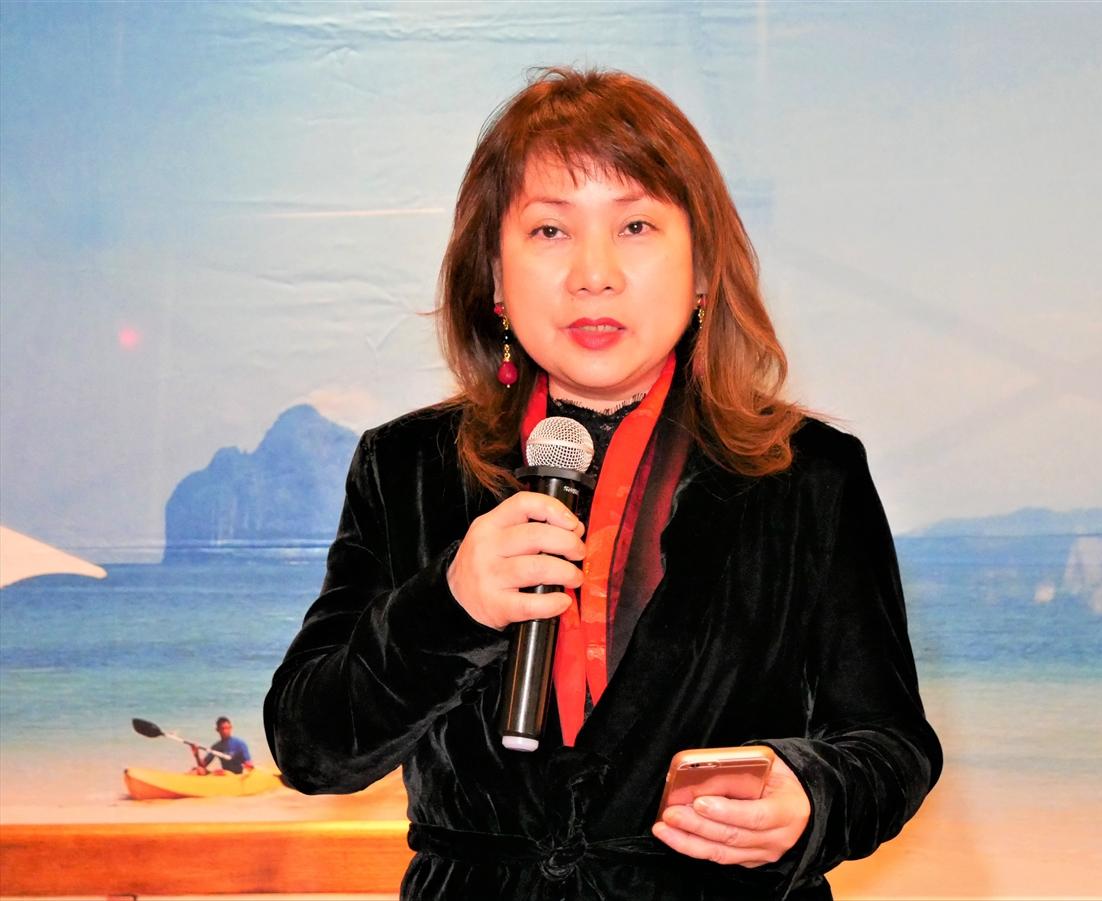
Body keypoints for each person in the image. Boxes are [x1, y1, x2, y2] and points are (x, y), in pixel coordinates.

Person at [265, 67, 941, 900]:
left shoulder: (809, 474)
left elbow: (891, 745)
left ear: (702, 269)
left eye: (636, 226)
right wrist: (450, 605)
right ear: (494, 277)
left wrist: (810, 796)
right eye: (550, 230)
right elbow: (309, 748)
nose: (594, 272)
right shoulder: (406, 466)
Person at [190, 716, 254, 775]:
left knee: (220, 772)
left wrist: (248, 765)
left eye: (227, 728)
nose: (225, 731)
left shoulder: (240, 744)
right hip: (224, 775)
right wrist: (196, 755)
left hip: (236, 776)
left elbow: (249, 764)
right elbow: (203, 766)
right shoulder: (217, 746)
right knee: (197, 770)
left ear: (231, 728)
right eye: (222, 728)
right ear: (217, 730)